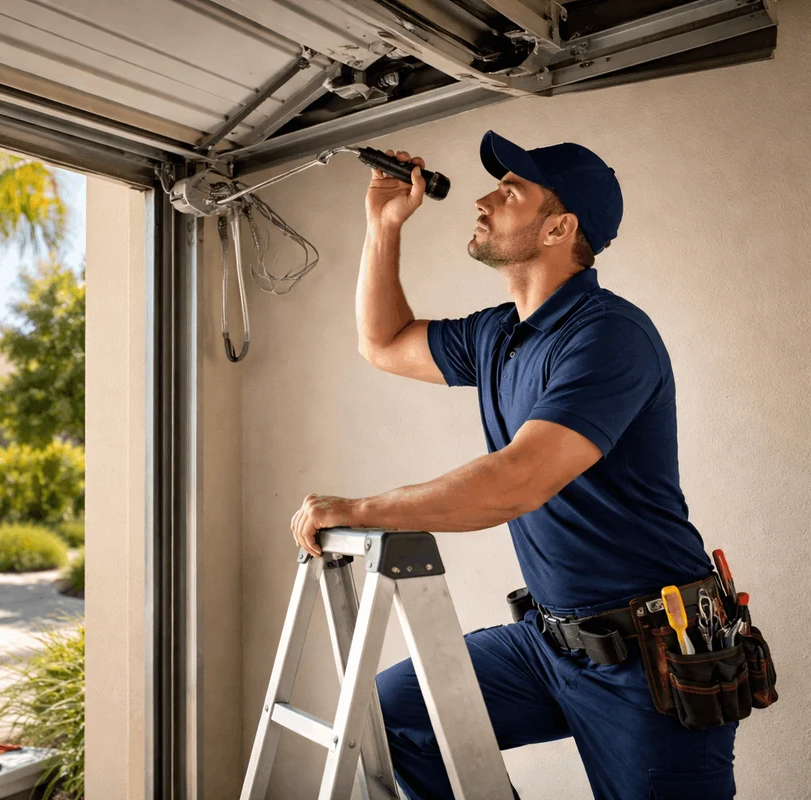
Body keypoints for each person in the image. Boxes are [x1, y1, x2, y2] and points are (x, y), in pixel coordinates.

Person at [287, 131, 734, 799]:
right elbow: (383, 341)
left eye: (510, 191)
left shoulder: (610, 335)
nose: (483, 199)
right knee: (389, 719)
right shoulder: (498, 334)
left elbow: (517, 480)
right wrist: (382, 226)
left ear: (559, 228)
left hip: (651, 656)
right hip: (548, 642)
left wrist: (356, 511)